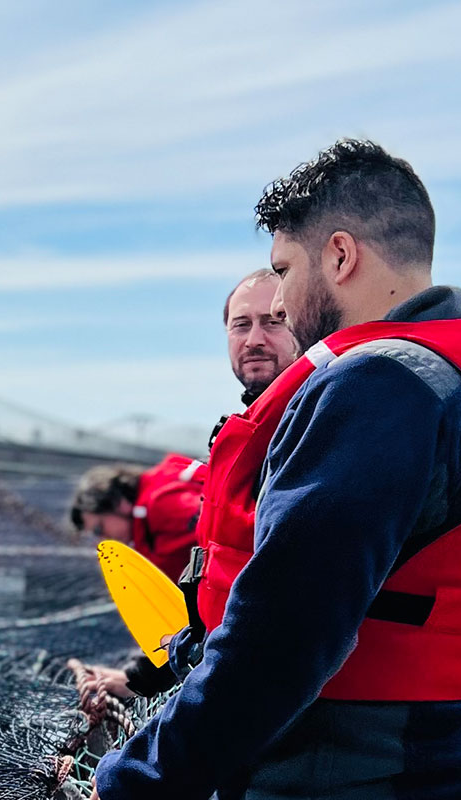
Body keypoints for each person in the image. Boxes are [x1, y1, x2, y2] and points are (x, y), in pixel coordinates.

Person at [94, 139, 461, 800]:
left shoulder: (379, 382)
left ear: (340, 255)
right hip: (448, 754)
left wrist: (136, 781)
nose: (281, 296)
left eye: (284, 270)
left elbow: (280, 636)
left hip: (344, 770)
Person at [67, 268, 299, 707]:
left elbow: (241, 579)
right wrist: (146, 675)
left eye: (274, 320)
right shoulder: (255, 428)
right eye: (240, 324)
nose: (254, 338)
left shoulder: (167, 504)